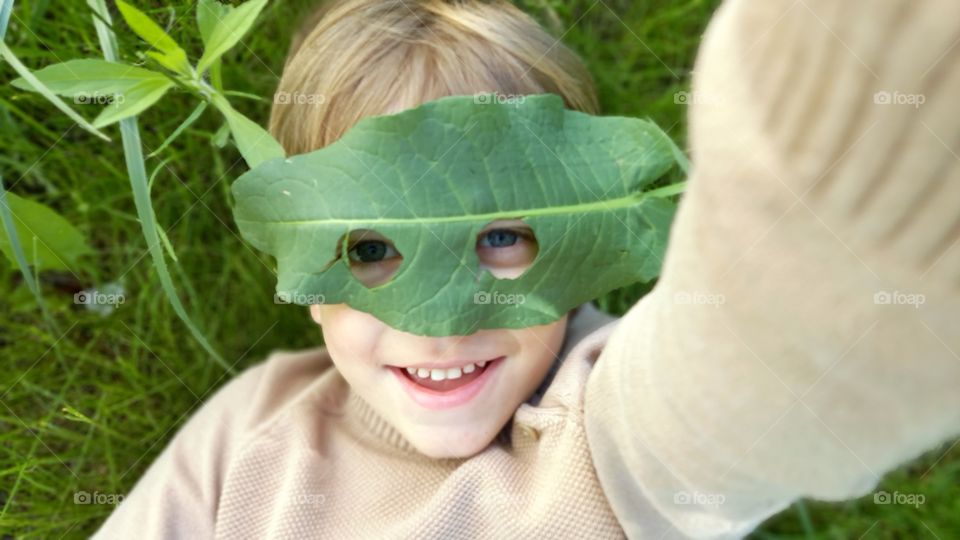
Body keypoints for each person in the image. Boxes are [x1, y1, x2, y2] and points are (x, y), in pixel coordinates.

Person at [94, 0, 960, 538]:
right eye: (370, 247)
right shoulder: (256, 426)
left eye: (503, 234)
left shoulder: (604, 436)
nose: (441, 316)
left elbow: (780, 354)